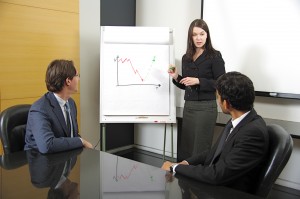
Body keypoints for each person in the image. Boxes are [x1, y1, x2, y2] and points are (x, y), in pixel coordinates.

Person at [162, 71, 269, 194]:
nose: (217, 100)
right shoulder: (239, 120)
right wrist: (185, 163)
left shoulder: (253, 133)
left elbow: (217, 175)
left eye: (217, 97)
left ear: (226, 103)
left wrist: (174, 167)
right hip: (218, 182)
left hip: (227, 192)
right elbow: (215, 152)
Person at [168, 19, 225, 161]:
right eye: (195, 35)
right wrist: (176, 77)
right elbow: (186, 84)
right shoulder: (186, 58)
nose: (198, 38)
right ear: (190, 37)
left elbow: (221, 83)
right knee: (186, 146)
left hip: (206, 108)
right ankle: (183, 179)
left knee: (200, 147)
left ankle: (198, 180)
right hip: (190, 107)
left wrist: (199, 81)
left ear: (207, 35)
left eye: (202, 34)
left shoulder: (214, 56)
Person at [24, 59, 93, 153]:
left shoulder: (71, 103)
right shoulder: (39, 109)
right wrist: (81, 141)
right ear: (68, 81)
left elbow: (72, 136)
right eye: (77, 75)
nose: (79, 79)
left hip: (64, 160)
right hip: (41, 162)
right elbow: (47, 145)